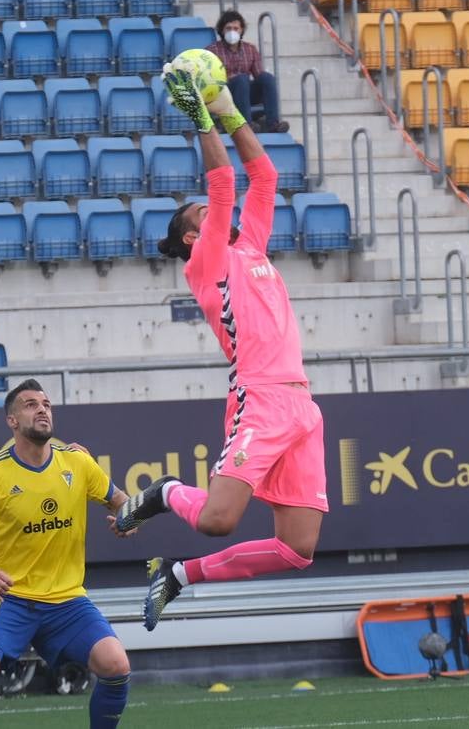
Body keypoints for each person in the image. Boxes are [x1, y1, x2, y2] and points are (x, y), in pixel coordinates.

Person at [112, 63, 326, 632]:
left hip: (301, 404)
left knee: (298, 548)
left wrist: (230, 111)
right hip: (258, 397)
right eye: (202, 215)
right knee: (216, 520)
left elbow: (264, 175)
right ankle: (167, 493)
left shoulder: (249, 245)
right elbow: (226, 183)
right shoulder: (206, 263)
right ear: (191, 236)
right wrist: (201, 116)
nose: (215, 214)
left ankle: (179, 576)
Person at [0, 379, 133, 728]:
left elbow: (122, 502)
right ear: (12, 420)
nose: (41, 409)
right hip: (9, 598)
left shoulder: (78, 463)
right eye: (30, 404)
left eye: (46, 404)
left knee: (116, 665)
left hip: (66, 600)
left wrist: (130, 519)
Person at [206, 10, 290, 132]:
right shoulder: (211, 51)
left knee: (267, 78)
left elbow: (259, 75)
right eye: (228, 28)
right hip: (223, 93)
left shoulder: (250, 49)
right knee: (242, 79)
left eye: (236, 28)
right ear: (222, 30)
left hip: (245, 92)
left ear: (241, 30)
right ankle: (246, 124)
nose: (232, 32)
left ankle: (273, 124)